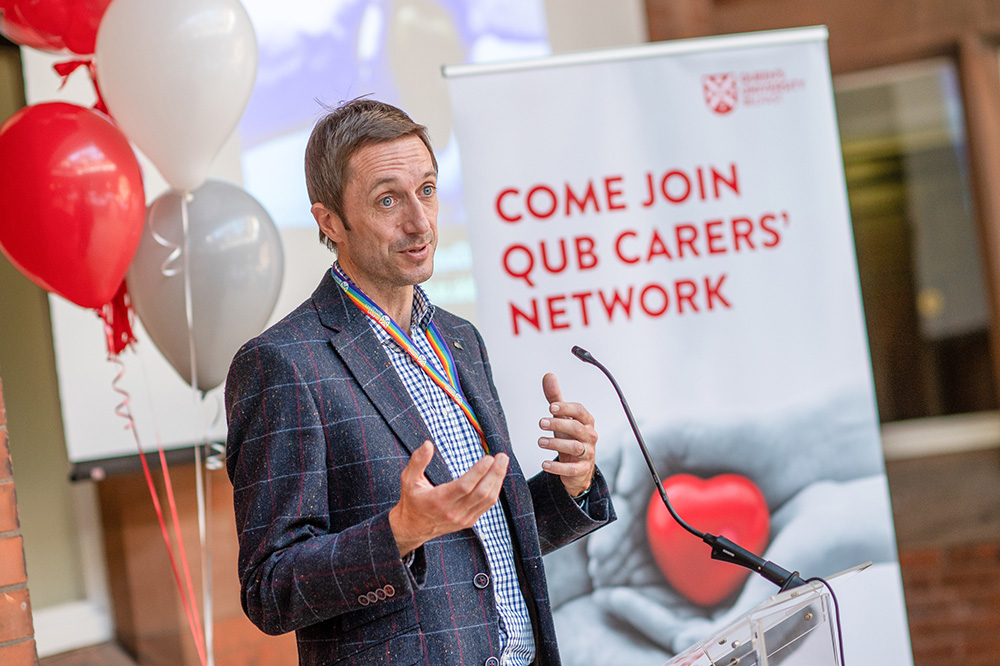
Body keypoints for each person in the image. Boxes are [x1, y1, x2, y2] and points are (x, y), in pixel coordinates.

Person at [225, 98, 616, 666]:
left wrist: (571, 485)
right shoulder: (282, 364)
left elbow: (483, 544)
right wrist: (397, 534)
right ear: (329, 220)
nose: (420, 222)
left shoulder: (460, 339)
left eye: (428, 191)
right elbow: (270, 590)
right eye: (388, 200)